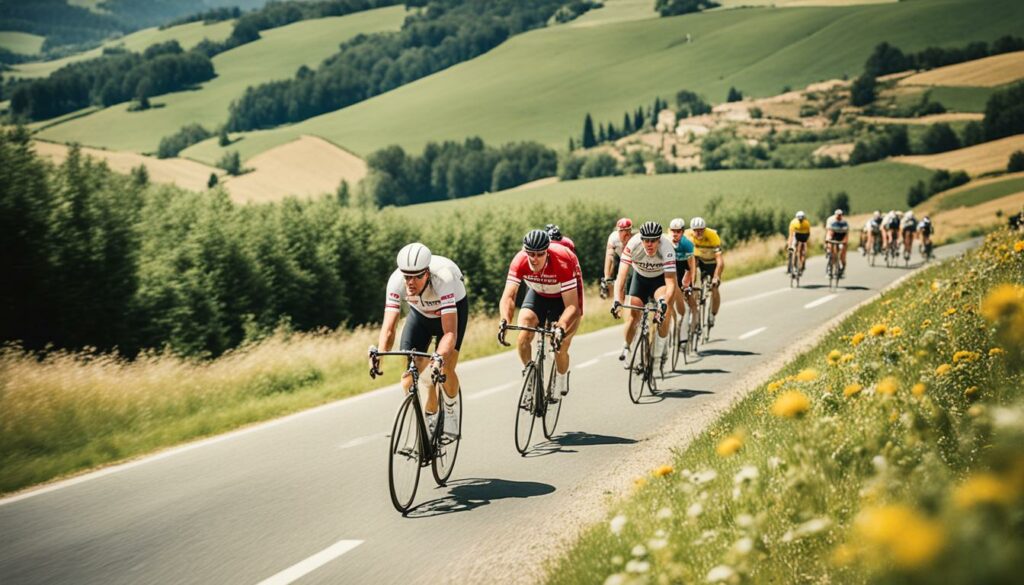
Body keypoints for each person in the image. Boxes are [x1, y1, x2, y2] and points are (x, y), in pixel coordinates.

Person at [370, 243, 467, 438]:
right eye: (407, 276)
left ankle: (449, 409)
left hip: (449, 315)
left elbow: (449, 333)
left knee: (444, 368)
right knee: (411, 378)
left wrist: (439, 357)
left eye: (417, 276)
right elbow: (389, 328)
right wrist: (379, 354)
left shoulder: (444, 279)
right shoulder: (396, 281)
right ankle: (430, 418)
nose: (410, 282)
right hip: (420, 316)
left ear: (427, 273)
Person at [499, 229, 583, 399]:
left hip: (564, 298)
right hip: (538, 293)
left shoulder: (562, 261)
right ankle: (529, 375)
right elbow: (508, 296)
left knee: (560, 345)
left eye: (539, 254)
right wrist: (504, 321)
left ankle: (561, 376)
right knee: (524, 332)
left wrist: (561, 327)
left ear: (547, 252)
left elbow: (572, 306)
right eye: (530, 253)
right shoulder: (520, 260)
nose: (534, 258)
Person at [612, 221, 677, 364]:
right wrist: (617, 300)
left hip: (659, 281)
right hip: (640, 278)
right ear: (641, 239)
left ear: (659, 239)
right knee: (634, 314)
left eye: (653, 240)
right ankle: (627, 346)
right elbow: (621, 276)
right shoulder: (633, 245)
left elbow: (671, 283)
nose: (650, 244)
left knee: (664, 311)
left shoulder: (667, 248)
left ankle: (660, 348)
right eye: (646, 240)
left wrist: (665, 304)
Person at [685, 217, 724, 327]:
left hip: (712, 262)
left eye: (701, 230)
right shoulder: (687, 235)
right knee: (693, 269)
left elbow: (720, 261)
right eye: (696, 230)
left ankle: (712, 314)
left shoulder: (712, 236)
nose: (698, 233)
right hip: (700, 261)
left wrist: (716, 276)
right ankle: (695, 297)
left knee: (715, 286)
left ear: (705, 229)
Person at [668, 217, 698, 345]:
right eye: (673, 231)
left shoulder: (687, 244)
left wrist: (692, 283)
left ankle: (692, 327)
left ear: (682, 232)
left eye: (678, 231)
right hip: (672, 271)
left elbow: (692, 266)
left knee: (690, 301)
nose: (675, 234)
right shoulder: (667, 243)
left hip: (685, 271)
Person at [602, 218, 633, 298]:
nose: (624, 233)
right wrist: (607, 276)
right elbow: (609, 256)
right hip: (623, 260)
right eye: (621, 231)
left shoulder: (635, 238)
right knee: (620, 285)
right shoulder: (613, 237)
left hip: (635, 263)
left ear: (631, 230)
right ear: (617, 231)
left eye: (626, 230)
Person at [825, 208, 850, 277]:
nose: (839, 217)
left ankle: (842, 268)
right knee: (832, 253)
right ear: (835, 215)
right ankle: (830, 268)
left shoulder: (844, 222)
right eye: (837, 215)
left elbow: (846, 234)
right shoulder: (831, 220)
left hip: (841, 236)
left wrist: (845, 242)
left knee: (843, 255)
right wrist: (828, 240)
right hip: (834, 236)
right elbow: (829, 232)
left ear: (842, 215)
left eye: (840, 215)